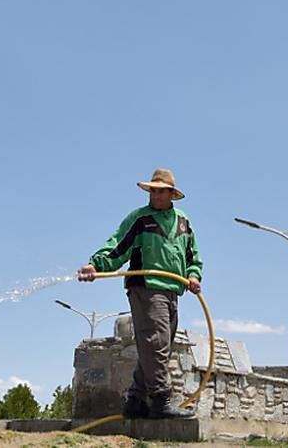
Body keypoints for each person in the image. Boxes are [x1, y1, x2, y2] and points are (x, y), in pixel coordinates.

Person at [77, 168, 203, 420]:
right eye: (152, 191)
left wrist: (193, 275)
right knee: (155, 343)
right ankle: (160, 400)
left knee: (159, 348)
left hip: (172, 290)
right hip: (145, 287)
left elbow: (192, 256)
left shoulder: (183, 222)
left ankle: (135, 400)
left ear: (171, 194)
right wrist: (97, 265)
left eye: (160, 191)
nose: (155, 195)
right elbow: (117, 245)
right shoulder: (140, 218)